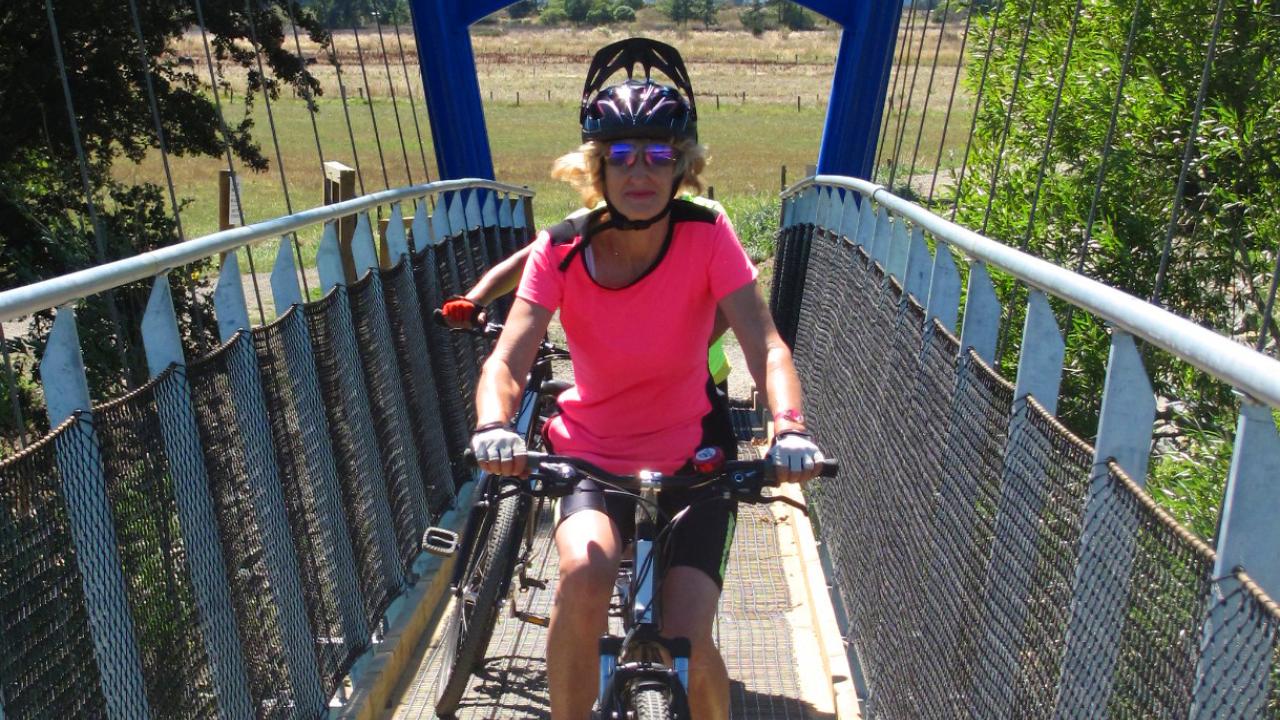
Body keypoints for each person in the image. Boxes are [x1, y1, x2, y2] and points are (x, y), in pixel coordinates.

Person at [468, 38, 824, 720]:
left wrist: (790, 430)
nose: (641, 171)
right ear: (595, 168)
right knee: (584, 574)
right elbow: (508, 362)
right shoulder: (561, 250)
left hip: (694, 457)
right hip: (589, 457)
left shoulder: (708, 234)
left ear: (681, 167)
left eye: (659, 155)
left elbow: (767, 347)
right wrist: (492, 426)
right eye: (622, 156)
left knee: (690, 637)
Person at [439, 192, 734, 392]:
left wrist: (682, 351)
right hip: (616, 383)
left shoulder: (707, 218)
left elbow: (731, 299)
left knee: (713, 476)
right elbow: (524, 261)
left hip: (699, 376)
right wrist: (473, 300)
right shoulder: (589, 221)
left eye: (657, 158)